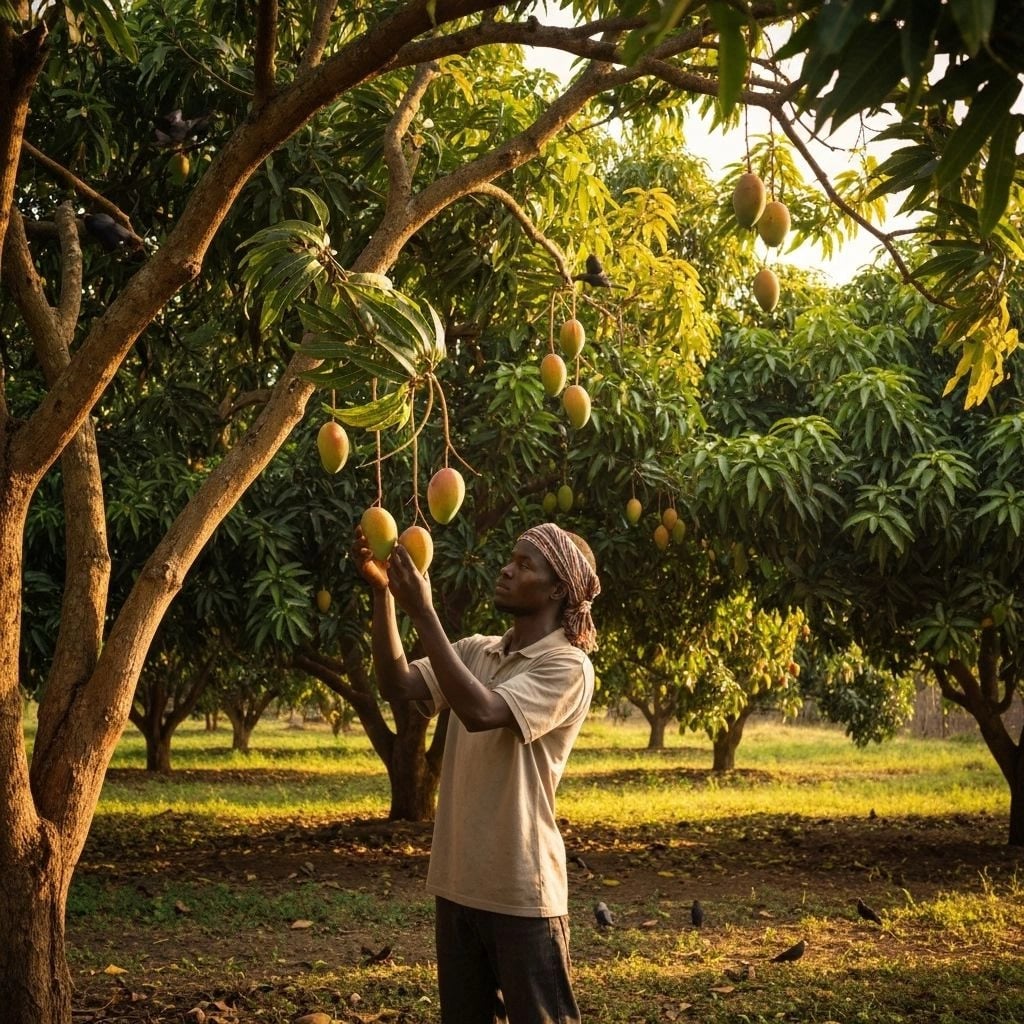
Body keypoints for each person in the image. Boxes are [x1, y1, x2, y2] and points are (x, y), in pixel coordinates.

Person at [352, 521, 602, 1024]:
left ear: (558, 589)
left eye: (525, 564)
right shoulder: (476, 651)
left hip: (522, 890)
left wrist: (423, 609)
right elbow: (397, 683)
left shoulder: (567, 666)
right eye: (511, 558)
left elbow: (482, 712)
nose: (507, 569)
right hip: (459, 881)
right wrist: (384, 596)